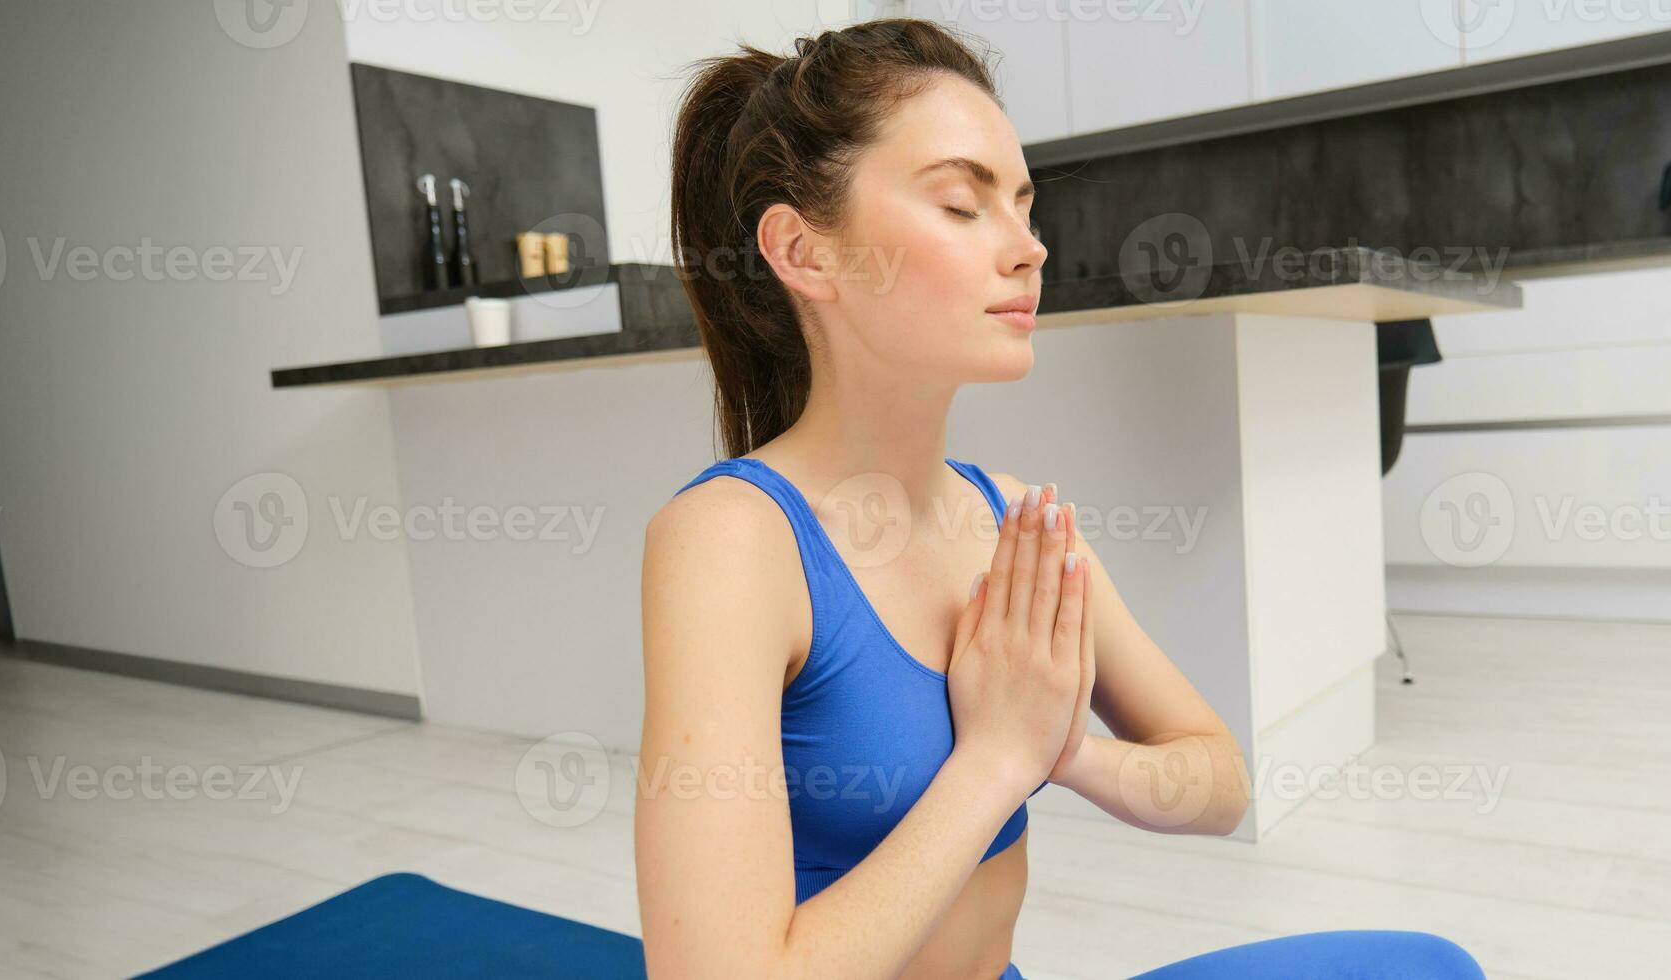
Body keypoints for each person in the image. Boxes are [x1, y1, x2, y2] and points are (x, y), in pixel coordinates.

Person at [634, 18, 1486, 980]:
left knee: (1425, 967)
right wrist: (994, 757)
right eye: (963, 205)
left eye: (1025, 208)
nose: (1029, 249)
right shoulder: (732, 541)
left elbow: (1217, 781)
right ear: (803, 251)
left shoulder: (1008, 519)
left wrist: (1062, 748)